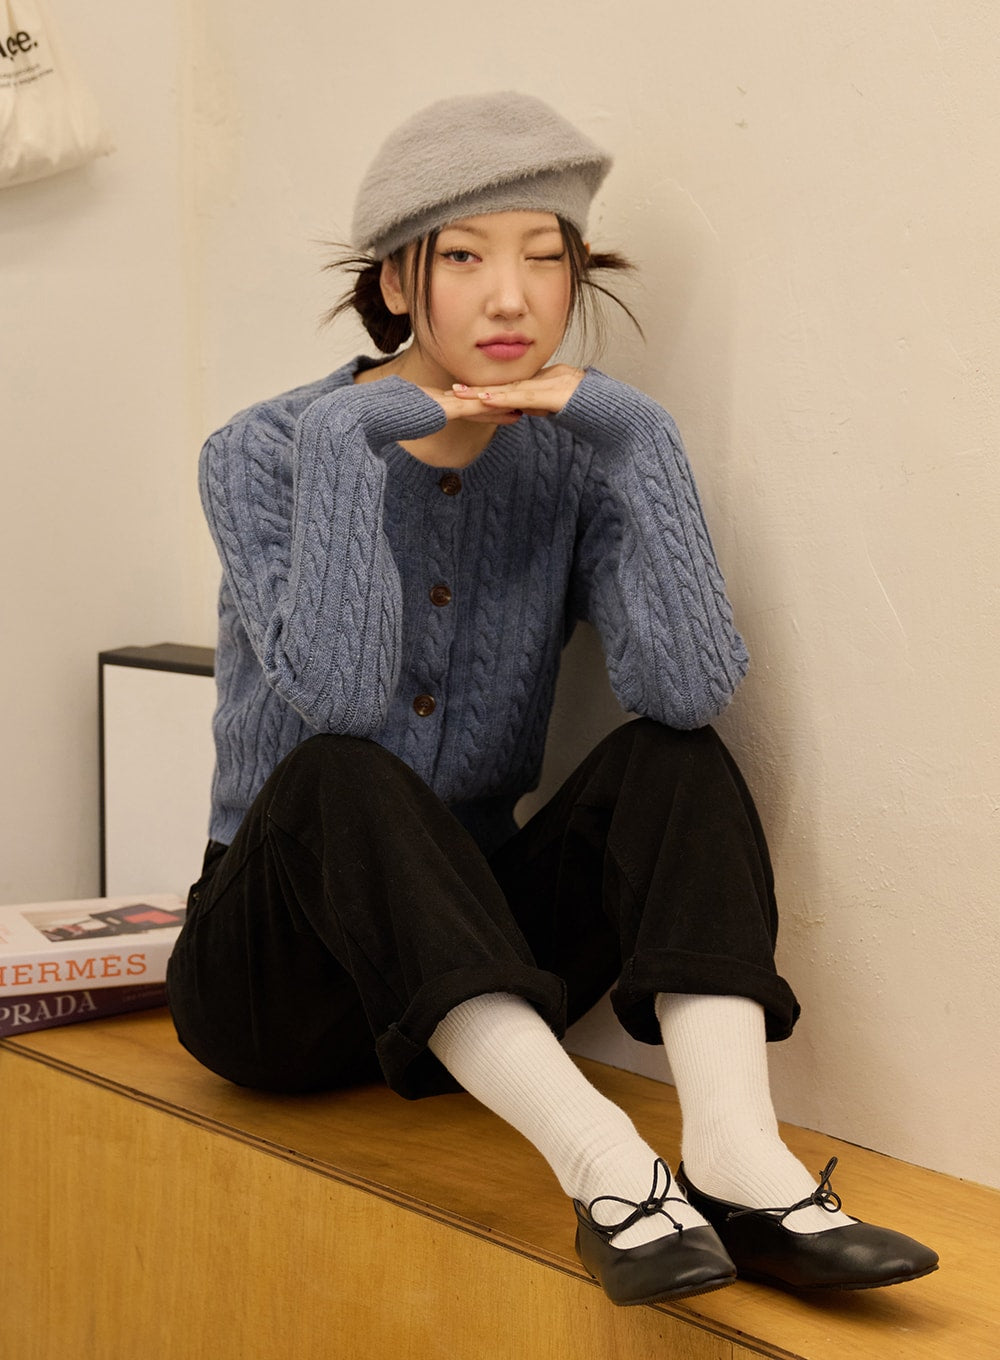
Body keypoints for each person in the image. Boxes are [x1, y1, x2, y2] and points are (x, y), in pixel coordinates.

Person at [165, 92, 937, 1307]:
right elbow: (342, 699)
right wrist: (345, 445)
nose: (511, 298)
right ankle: (607, 1170)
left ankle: (740, 1160)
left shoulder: (573, 455)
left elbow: (685, 687)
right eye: (465, 259)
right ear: (398, 279)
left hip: (476, 962)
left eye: (544, 257)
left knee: (676, 755)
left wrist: (638, 440)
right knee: (340, 769)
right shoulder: (264, 450)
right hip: (278, 984)